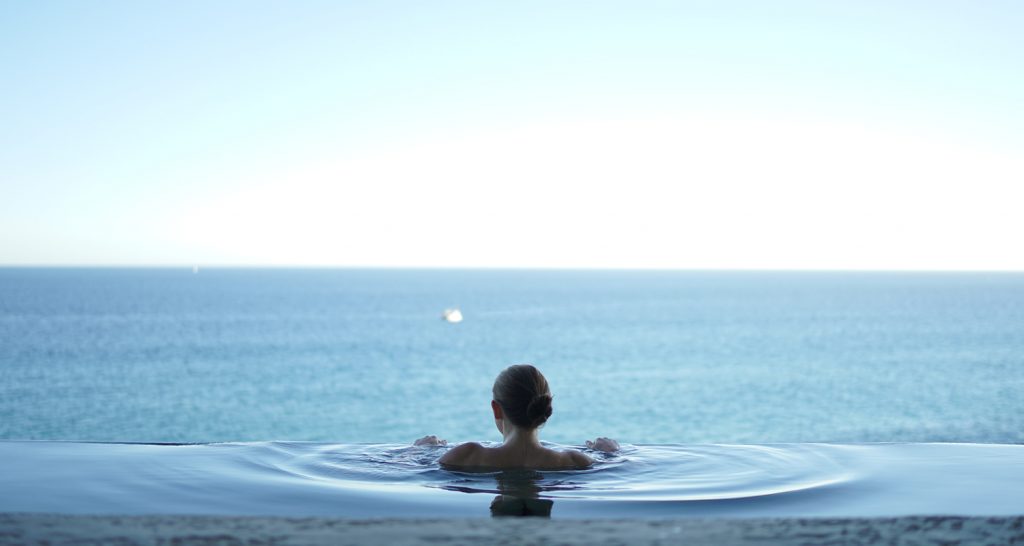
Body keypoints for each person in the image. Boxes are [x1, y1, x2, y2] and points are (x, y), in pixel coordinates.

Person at [415, 364, 619, 469]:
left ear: (496, 409)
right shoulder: (574, 461)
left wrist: (419, 451)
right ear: (546, 409)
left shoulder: (467, 456)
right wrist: (610, 453)